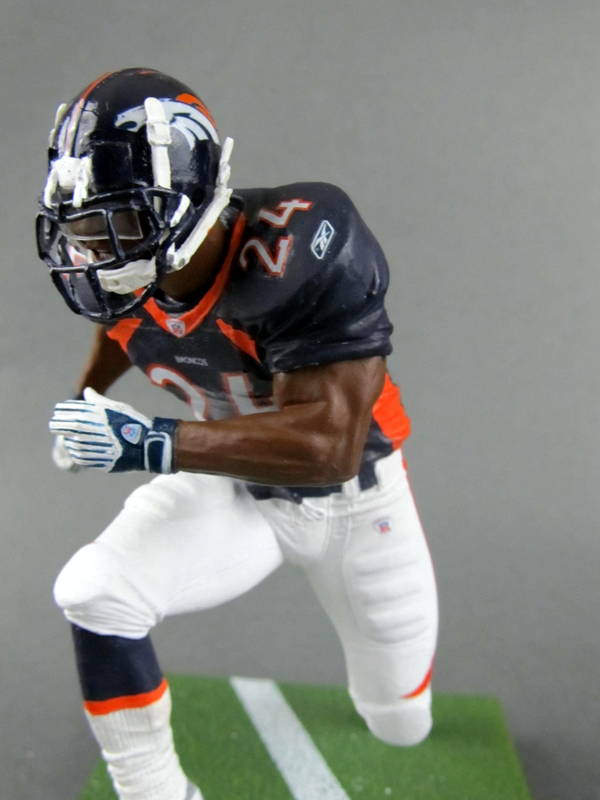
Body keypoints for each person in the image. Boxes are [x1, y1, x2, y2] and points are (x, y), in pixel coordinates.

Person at [38, 68, 438, 800]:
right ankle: (155, 789)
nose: (95, 248)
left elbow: (329, 447)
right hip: (229, 482)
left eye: (117, 223)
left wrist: (151, 442)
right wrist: (86, 396)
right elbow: (126, 327)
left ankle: (395, 706)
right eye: (85, 226)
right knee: (94, 592)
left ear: (187, 204)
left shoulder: (297, 247)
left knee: (399, 719)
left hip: (357, 500)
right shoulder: (133, 273)